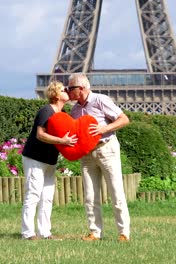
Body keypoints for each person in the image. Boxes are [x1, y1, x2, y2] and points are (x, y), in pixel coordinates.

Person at [66, 72, 131, 242]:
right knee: (90, 195)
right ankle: (95, 232)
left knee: (116, 191)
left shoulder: (100, 100)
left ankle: (124, 232)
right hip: (87, 154)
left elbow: (124, 119)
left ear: (81, 88)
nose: (67, 91)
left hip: (106, 149)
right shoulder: (74, 109)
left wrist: (104, 129)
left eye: (70, 88)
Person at [21, 81, 78, 240]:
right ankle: (28, 233)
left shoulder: (63, 114)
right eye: (63, 89)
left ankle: (45, 232)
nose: (67, 90)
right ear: (56, 94)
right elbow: (40, 134)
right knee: (33, 194)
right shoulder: (47, 111)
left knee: (47, 196)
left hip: (49, 160)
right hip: (35, 158)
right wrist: (62, 142)